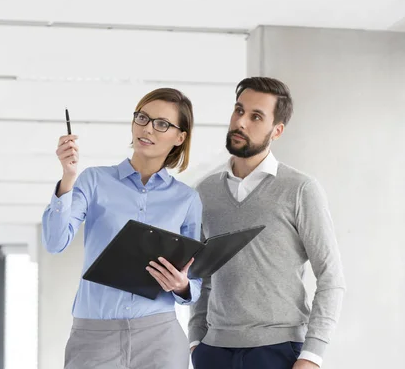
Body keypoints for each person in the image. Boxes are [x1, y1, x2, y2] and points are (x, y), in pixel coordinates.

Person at [189, 77, 345, 369]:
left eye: (256, 116)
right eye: (239, 110)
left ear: (277, 130)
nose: (241, 122)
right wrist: (196, 340)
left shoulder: (300, 189)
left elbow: (331, 277)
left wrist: (312, 356)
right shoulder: (205, 191)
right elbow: (201, 275)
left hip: (278, 351)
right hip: (213, 351)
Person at [42, 88, 203, 369]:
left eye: (161, 124)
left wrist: (182, 285)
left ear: (180, 137)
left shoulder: (186, 199)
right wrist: (68, 178)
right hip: (93, 337)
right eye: (142, 118)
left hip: (160, 338)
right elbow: (55, 241)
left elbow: (196, 280)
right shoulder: (94, 180)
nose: (147, 129)